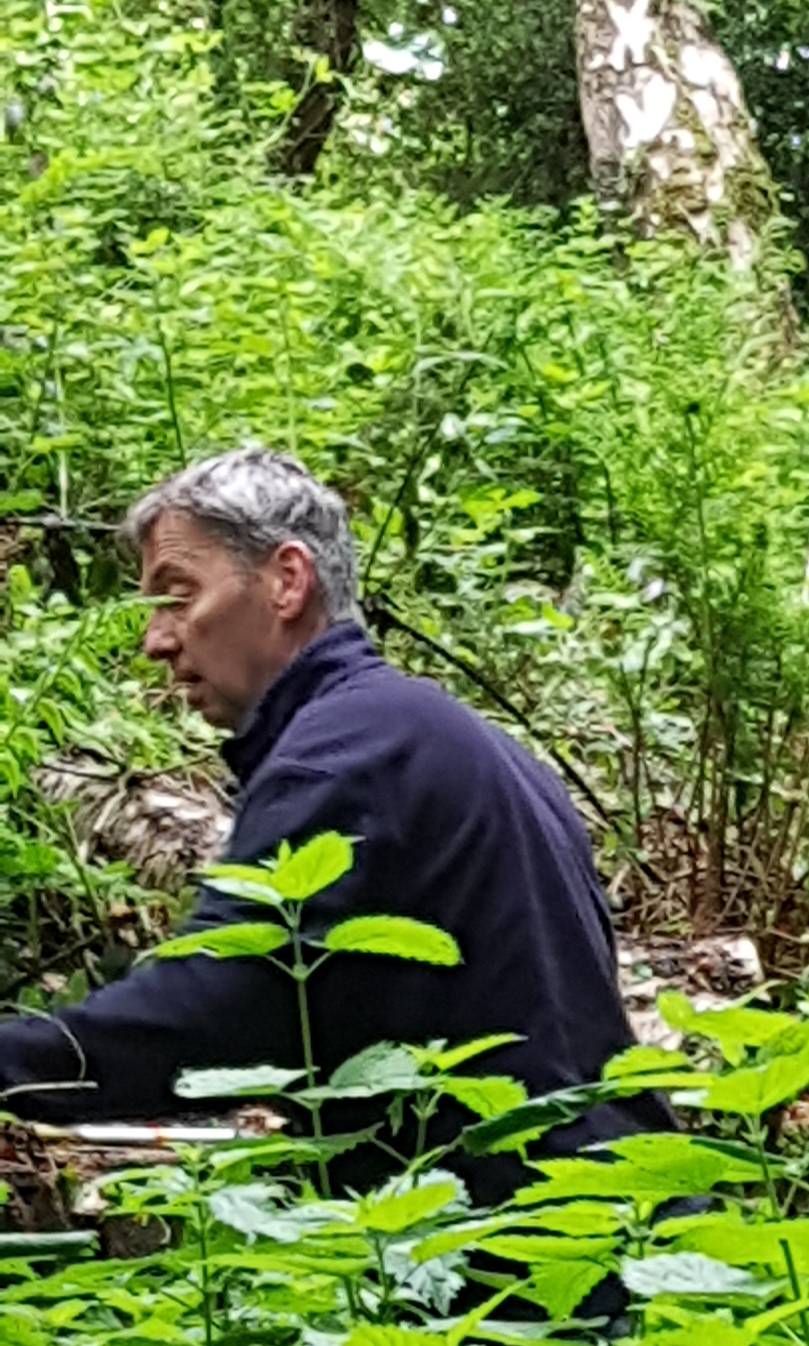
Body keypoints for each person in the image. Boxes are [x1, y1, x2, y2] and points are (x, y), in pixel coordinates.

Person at [0, 446, 639, 1196]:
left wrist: (15, 1063)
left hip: (510, 1236)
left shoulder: (349, 749)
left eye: (178, 597)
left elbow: (217, 1011)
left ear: (287, 580)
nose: (156, 641)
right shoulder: (447, 736)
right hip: (607, 1201)